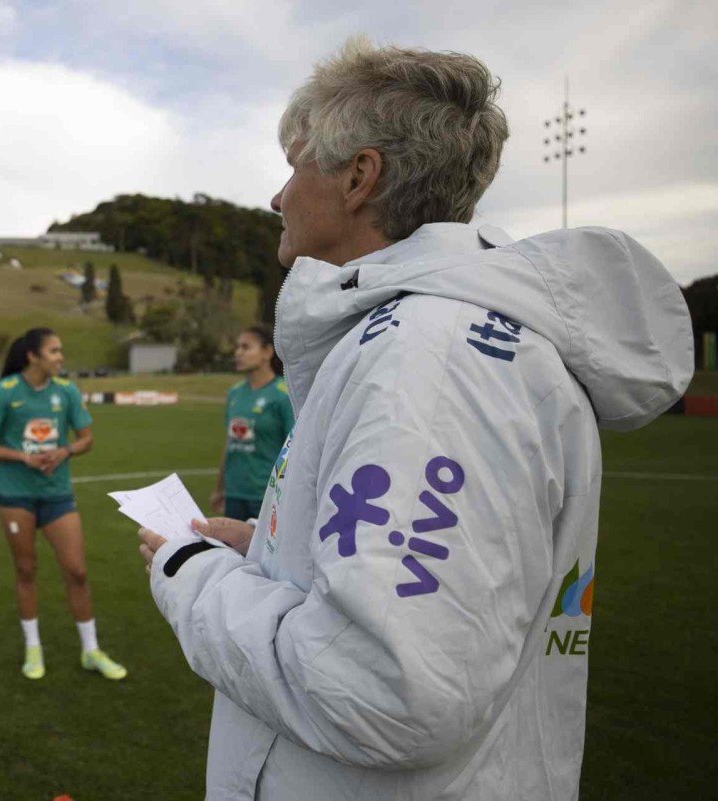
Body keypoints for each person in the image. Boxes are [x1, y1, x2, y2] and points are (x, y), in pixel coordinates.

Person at [137, 38, 692, 799]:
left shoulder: (430, 363)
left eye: (295, 164)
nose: (277, 196)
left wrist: (190, 573)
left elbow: (382, 689)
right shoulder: (426, 340)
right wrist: (270, 550)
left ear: (360, 177)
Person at [0, 327, 126, 681]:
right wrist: (23, 458)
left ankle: (91, 650)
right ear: (33, 356)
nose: (61, 357)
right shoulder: (5, 391)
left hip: (57, 493)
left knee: (77, 571)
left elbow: (86, 438)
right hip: (15, 494)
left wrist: (65, 451)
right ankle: (33, 647)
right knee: (26, 570)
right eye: (55, 351)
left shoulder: (67, 392)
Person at [210, 327, 294, 521]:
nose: (238, 353)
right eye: (237, 347)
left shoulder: (283, 394)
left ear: (267, 352)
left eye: (246, 347)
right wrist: (219, 488)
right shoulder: (235, 393)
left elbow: (293, 449)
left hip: (267, 494)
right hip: (235, 494)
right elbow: (230, 444)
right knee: (231, 551)